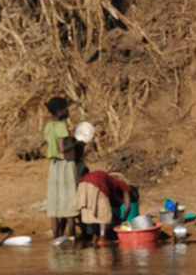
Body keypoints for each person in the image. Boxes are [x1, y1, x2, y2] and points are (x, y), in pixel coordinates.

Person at [42, 96, 78, 239]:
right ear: (59, 111)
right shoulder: (62, 126)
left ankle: (56, 237)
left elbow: (52, 143)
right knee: (70, 199)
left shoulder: (49, 126)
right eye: (65, 108)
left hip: (54, 166)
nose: (67, 111)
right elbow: (63, 148)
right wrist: (78, 142)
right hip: (65, 164)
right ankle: (72, 236)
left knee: (55, 202)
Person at [75, 167, 137, 242]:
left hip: (82, 183)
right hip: (96, 184)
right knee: (103, 213)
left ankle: (94, 237)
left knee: (90, 211)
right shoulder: (124, 185)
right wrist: (123, 220)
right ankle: (102, 237)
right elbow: (127, 207)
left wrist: (115, 218)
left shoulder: (108, 181)